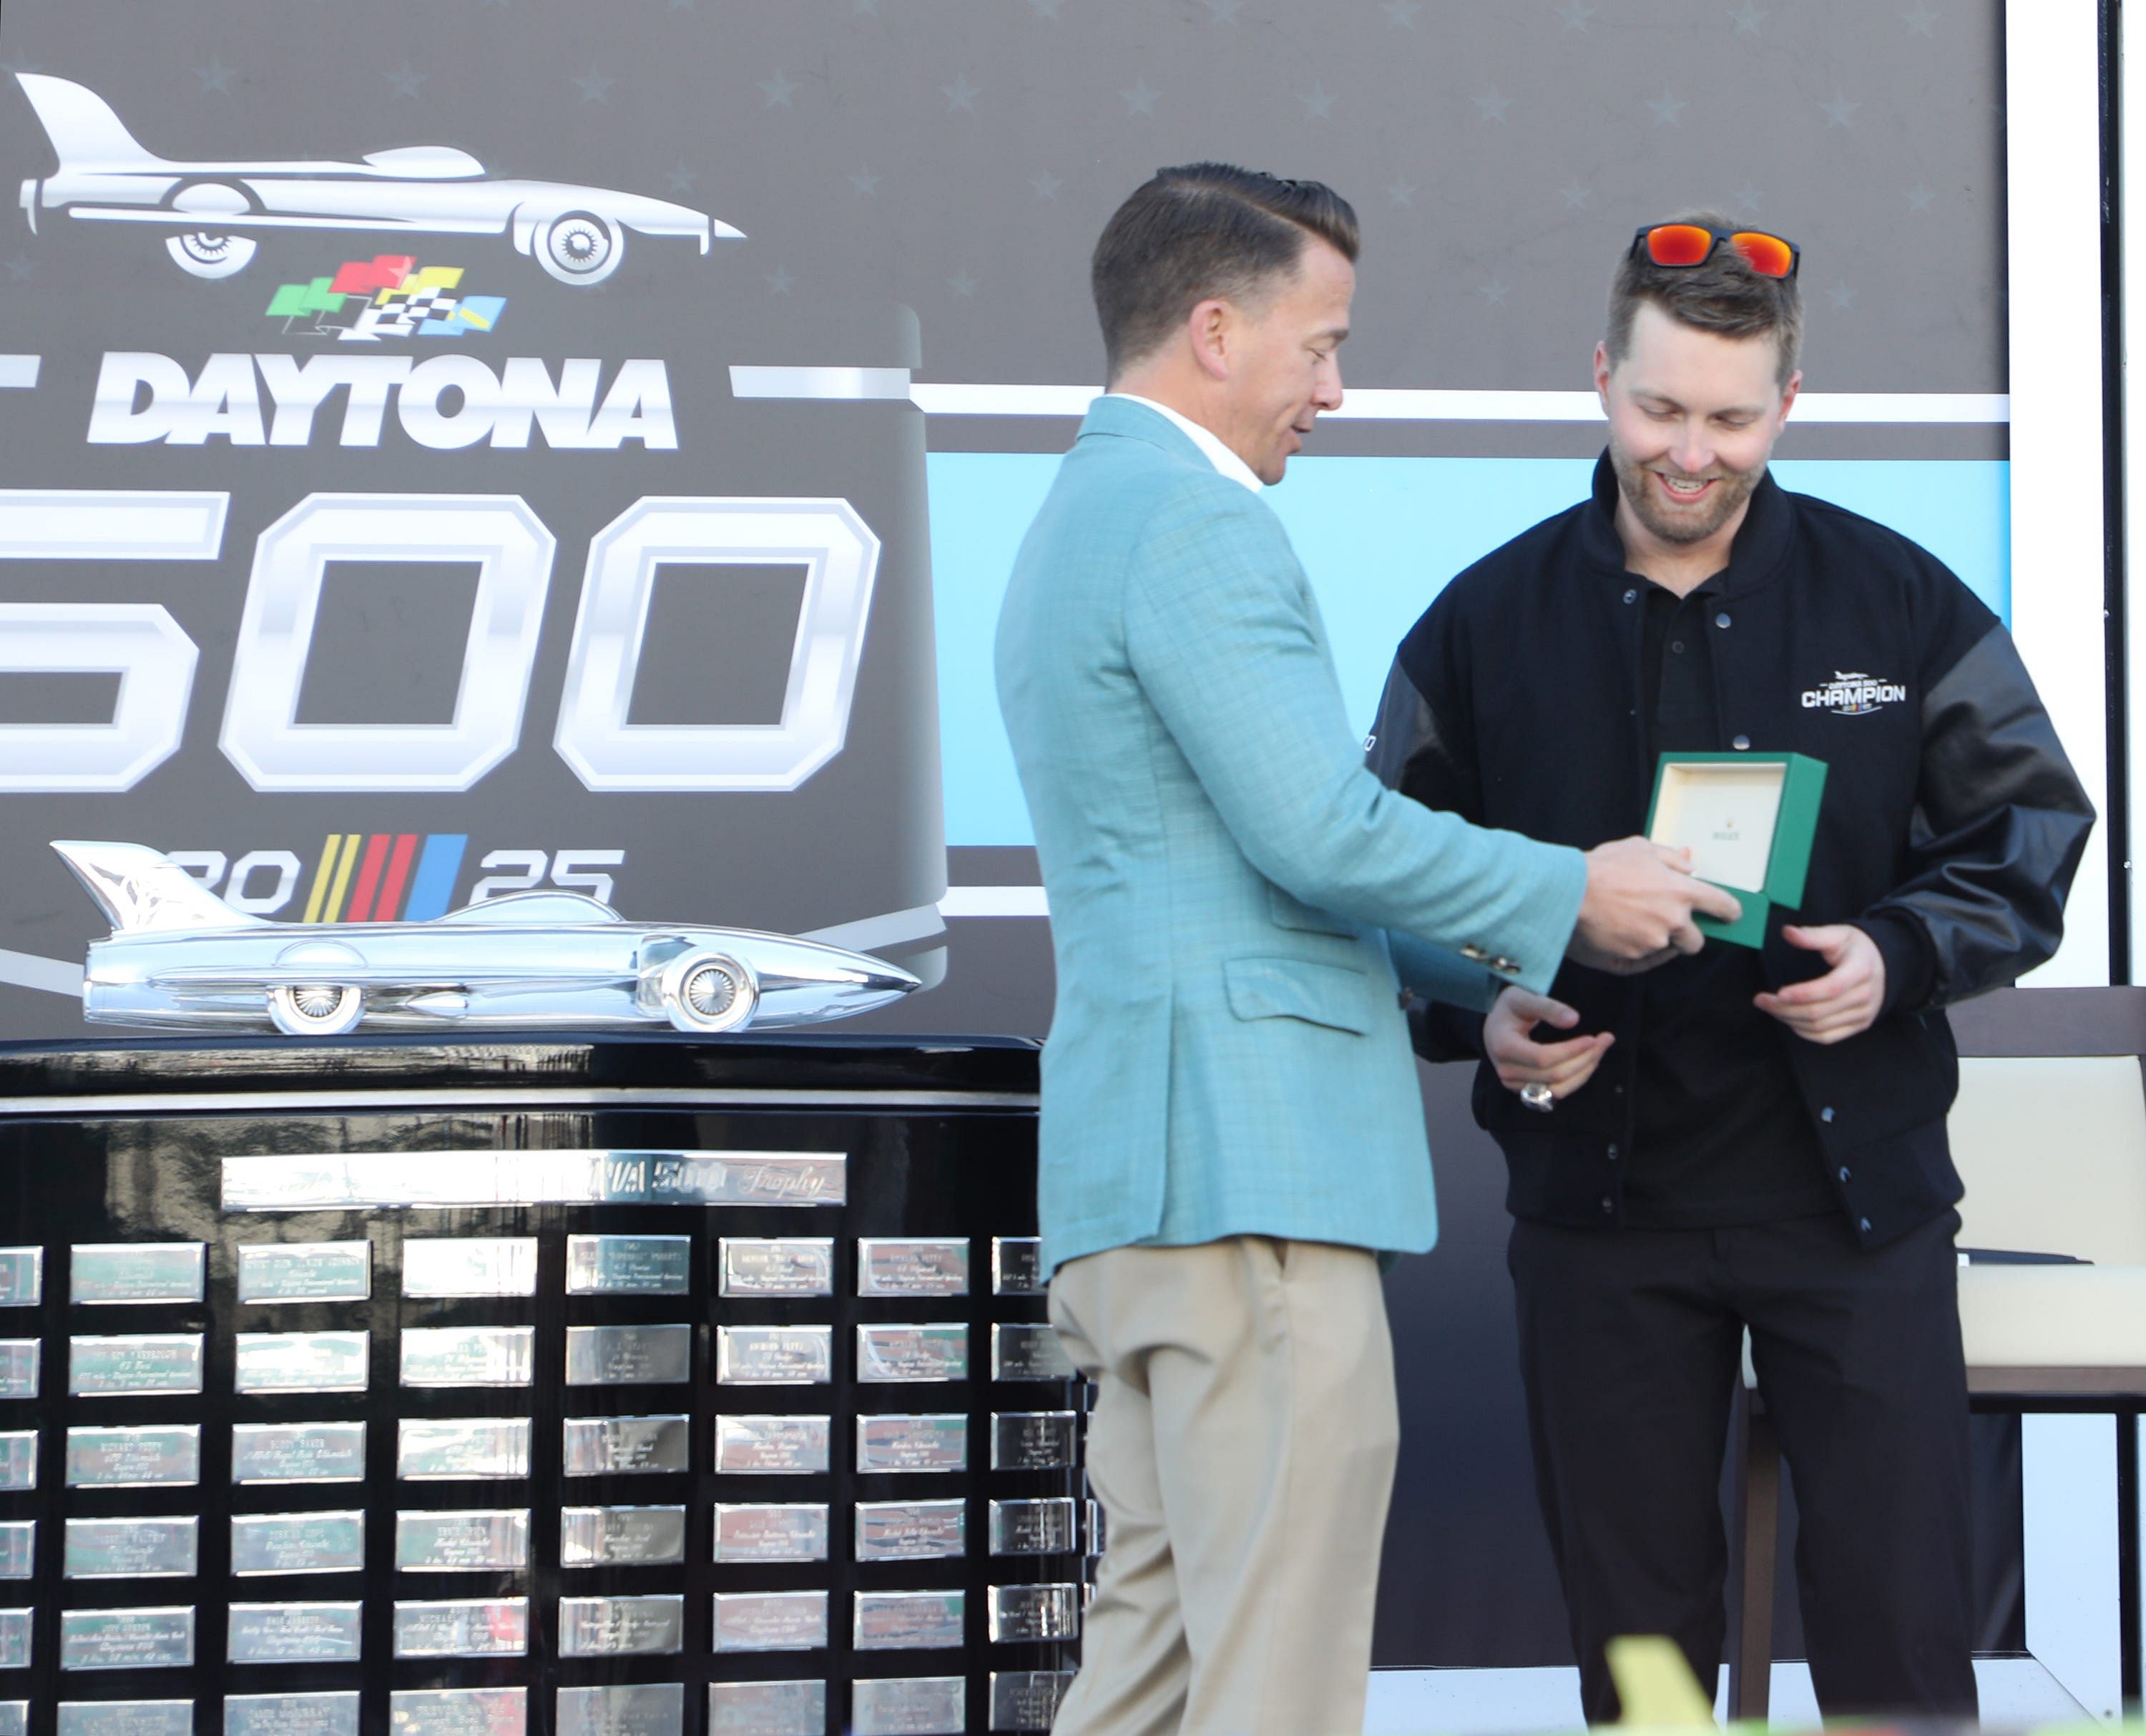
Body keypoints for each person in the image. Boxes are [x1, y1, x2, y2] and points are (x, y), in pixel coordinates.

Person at [994, 165, 1738, 1736]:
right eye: (1317, 344)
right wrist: (1569, 891)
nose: (1334, 387)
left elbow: (1245, 857)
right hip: (1249, 1176)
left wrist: (1487, 980)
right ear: (1213, 328)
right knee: (1274, 1679)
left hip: (1143, 1183)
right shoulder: (1199, 523)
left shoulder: (1078, 515)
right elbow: (1318, 828)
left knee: (1156, 1658)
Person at [1368, 213, 2096, 1720]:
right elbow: (1386, 881)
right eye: (1658, 406)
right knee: (1642, 1654)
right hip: (1600, 1213)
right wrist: (1483, 1006)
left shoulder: (1899, 601)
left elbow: (2031, 830)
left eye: (1728, 415)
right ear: (1599, 377)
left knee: (1899, 1628)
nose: (1689, 451)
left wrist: (1896, 955)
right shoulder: (1483, 621)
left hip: (1856, 1206)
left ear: (1788, 402)